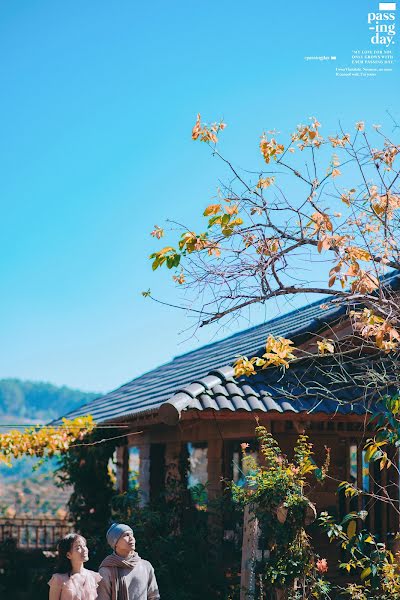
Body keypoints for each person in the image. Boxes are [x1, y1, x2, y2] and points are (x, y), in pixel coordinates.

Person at [97, 523, 160, 600]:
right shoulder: (106, 570)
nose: (131, 538)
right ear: (115, 542)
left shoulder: (145, 566)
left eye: (132, 535)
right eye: (126, 535)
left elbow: (154, 596)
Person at [48, 533, 102, 600]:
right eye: (78, 548)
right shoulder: (58, 579)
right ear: (68, 555)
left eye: (84, 546)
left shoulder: (94, 577)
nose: (84, 550)